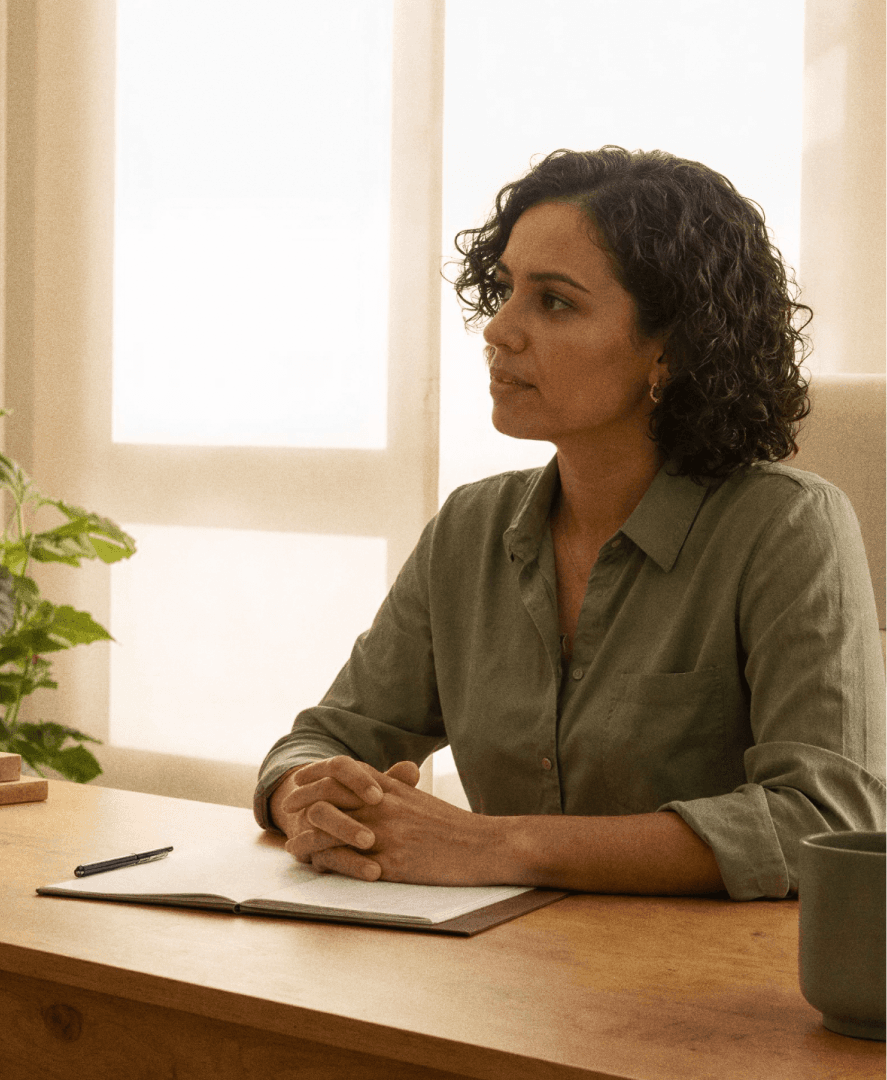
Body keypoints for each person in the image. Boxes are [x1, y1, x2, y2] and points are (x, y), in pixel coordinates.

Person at [254, 147, 887, 900]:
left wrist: (491, 843)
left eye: (553, 302)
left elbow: (822, 820)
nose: (498, 329)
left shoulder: (786, 526)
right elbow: (325, 737)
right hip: (496, 968)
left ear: (670, 348)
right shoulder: (470, 526)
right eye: (503, 289)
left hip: (704, 990)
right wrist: (310, 795)